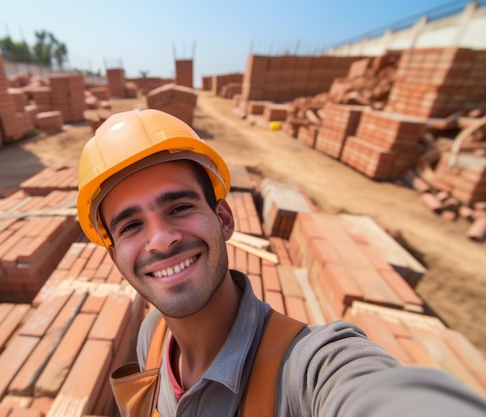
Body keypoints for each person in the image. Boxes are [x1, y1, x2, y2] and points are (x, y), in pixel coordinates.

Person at [76, 108, 486, 417]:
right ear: (115, 256)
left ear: (223, 219)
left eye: (180, 206)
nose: (161, 238)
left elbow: (380, 395)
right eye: (130, 226)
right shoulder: (153, 338)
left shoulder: (308, 369)